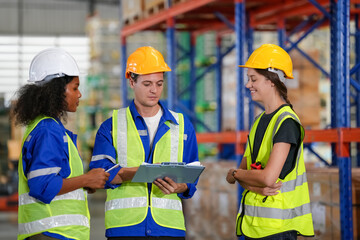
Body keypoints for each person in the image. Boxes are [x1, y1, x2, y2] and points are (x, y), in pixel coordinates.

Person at [89, 46, 199, 240]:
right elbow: (100, 175)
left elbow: (191, 175)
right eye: (147, 83)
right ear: (132, 81)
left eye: (159, 83)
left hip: (169, 227)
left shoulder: (182, 125)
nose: (154, 90)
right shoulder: (112, 126)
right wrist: (144, 171)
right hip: (125, 228)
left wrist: (179, 187)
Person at [13, 48, 110, 240]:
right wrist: (85, 179)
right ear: (56, 91)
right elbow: (42, 186)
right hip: (52, 232)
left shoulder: (46, 127)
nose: (80, 94)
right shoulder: (48, 130)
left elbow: (54, 178)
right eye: (74, 88)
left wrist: (81, 184)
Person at [226, 44, 314, 239]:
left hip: (278, 229)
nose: (248, 85)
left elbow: (266, 178)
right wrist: (246, 180)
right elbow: (234, 175)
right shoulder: (259, 121)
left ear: (272, 80)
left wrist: (240, 175)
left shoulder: (286, 122)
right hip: (253, 225)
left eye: (253, 79)